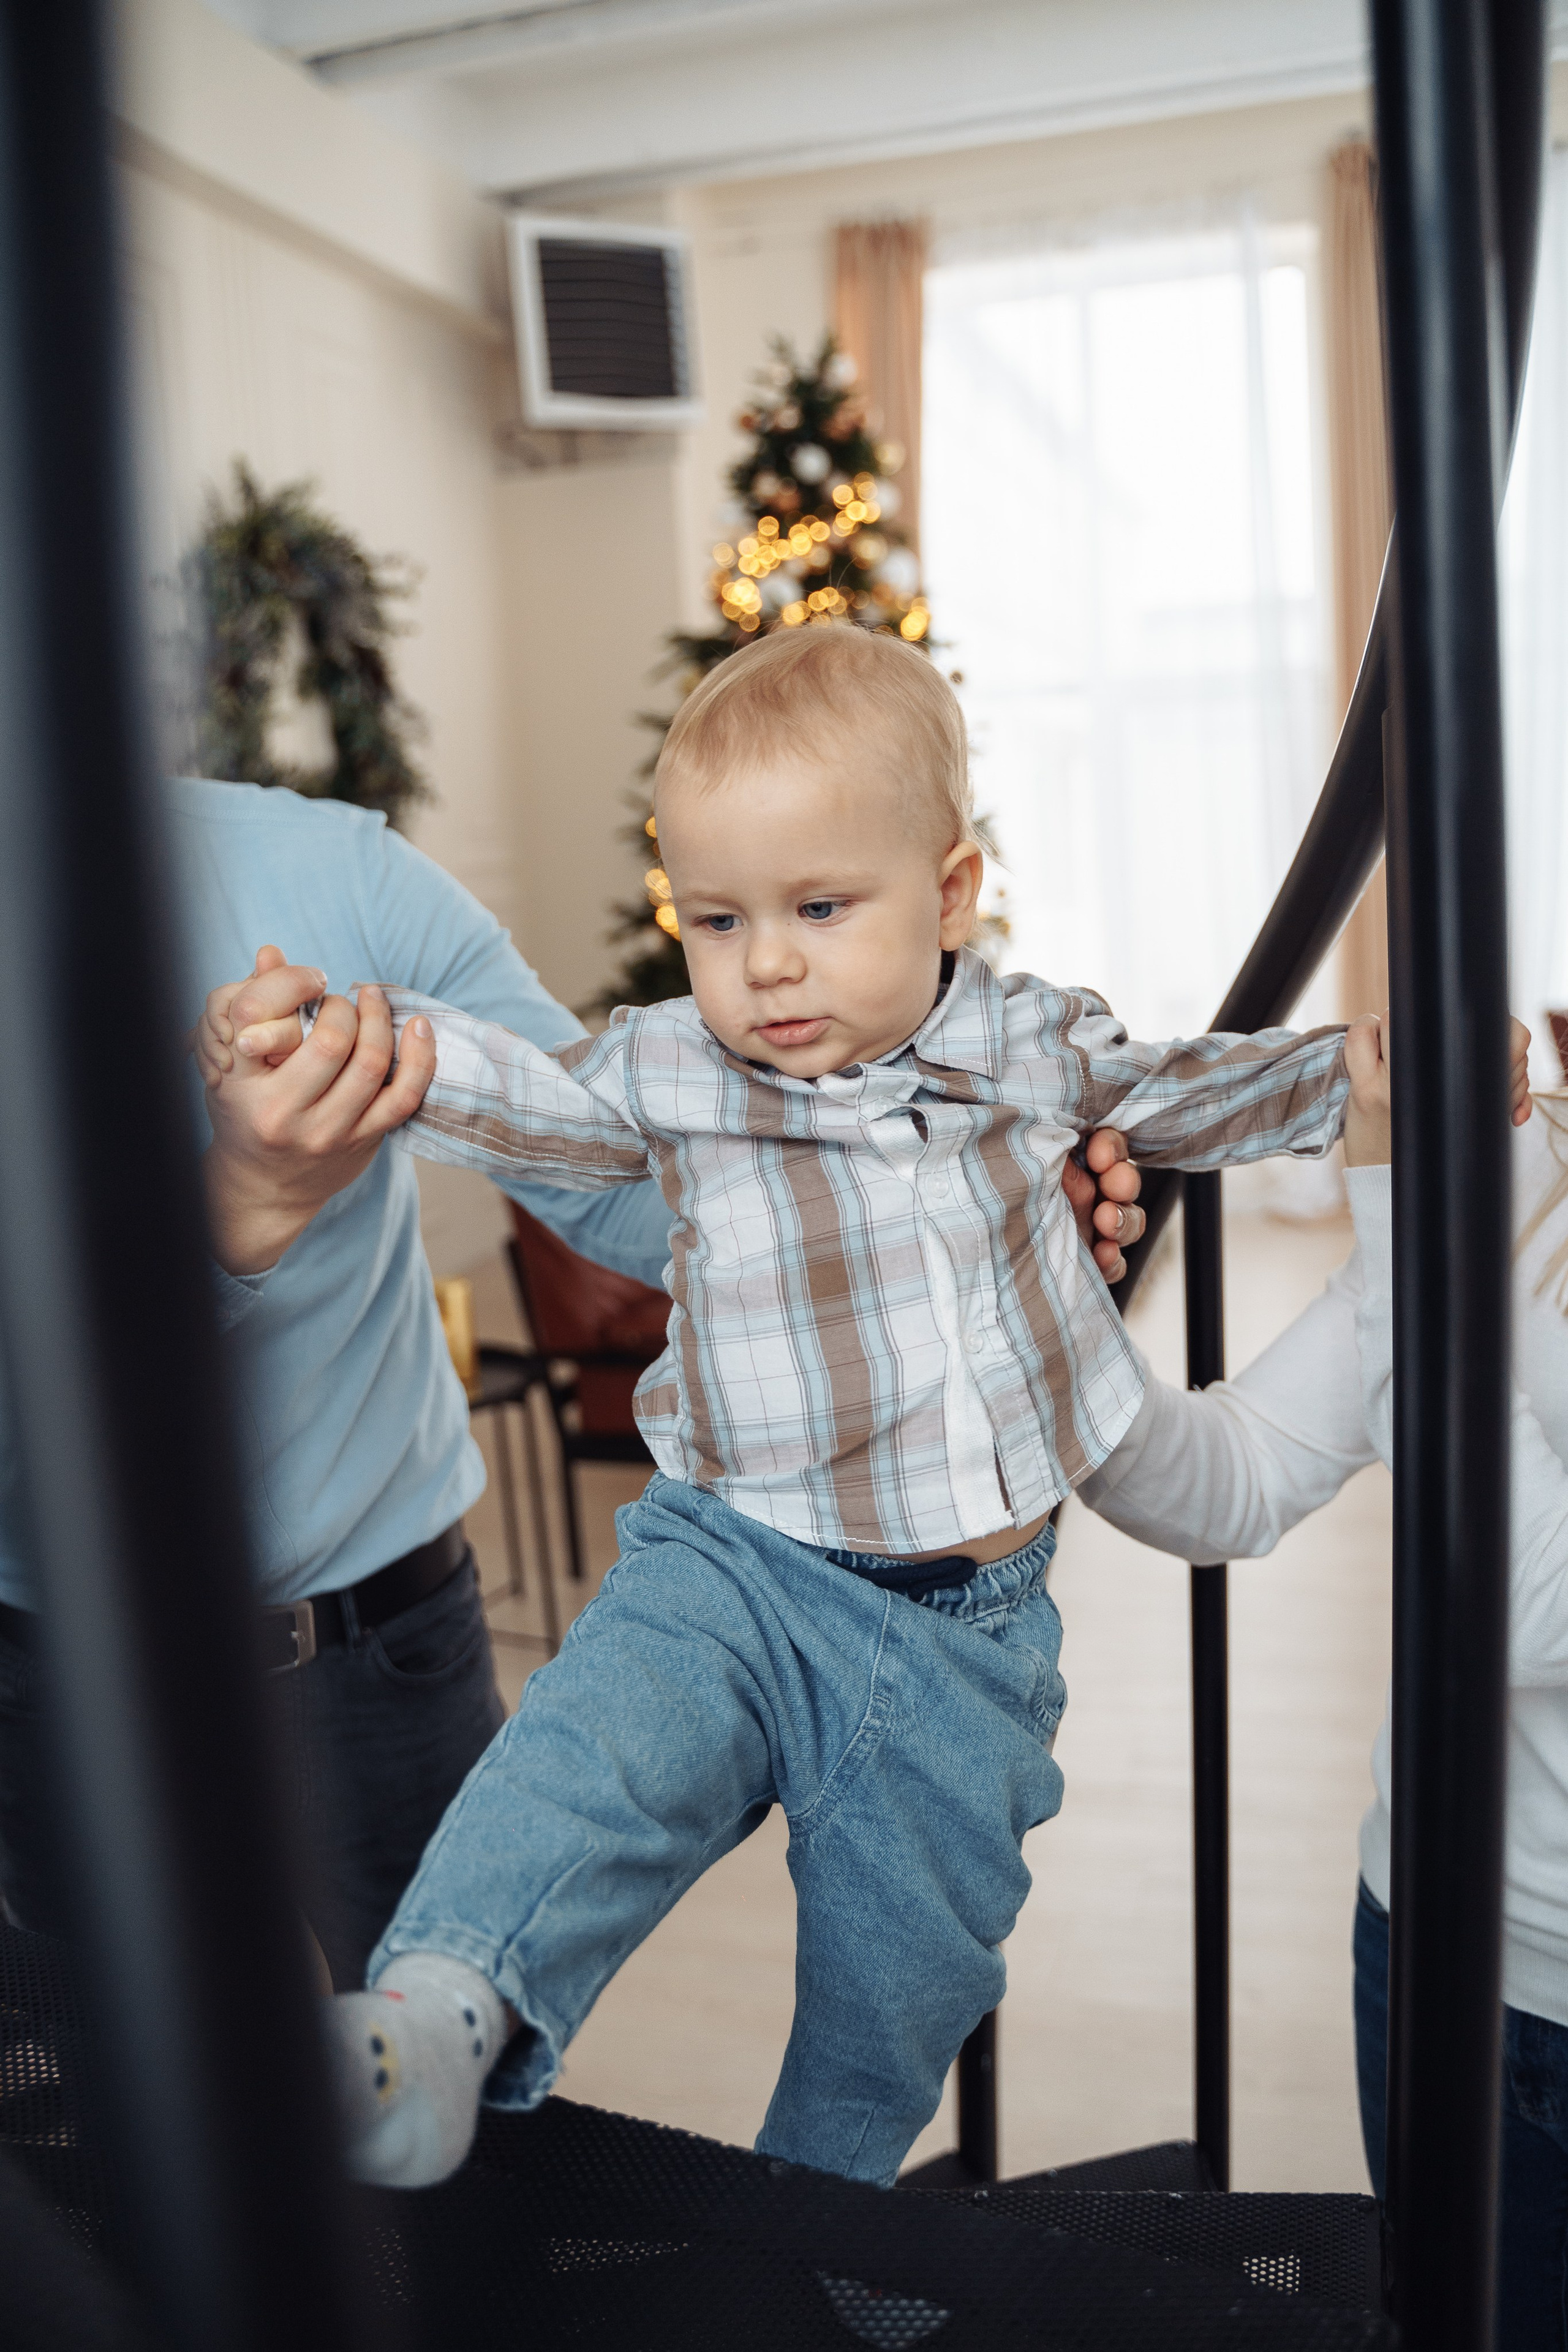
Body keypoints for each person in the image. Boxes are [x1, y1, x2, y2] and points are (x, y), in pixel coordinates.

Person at [211, 626, 1362, 2190]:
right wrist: (342, 1038)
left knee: (905, 1992)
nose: (764, 965)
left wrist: (1361, 1081)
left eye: (821, 910)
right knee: (579, 1777)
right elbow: (513, 1086)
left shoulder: (1031, 1048)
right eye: (716, 918)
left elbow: (1191, 1086)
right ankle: (431, 2016)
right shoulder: (676, 1069)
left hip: (966, 1637)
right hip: (729, 1570)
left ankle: (825, 2243)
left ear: (949, 892)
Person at [0, 775, 679, 1986]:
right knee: (112, 2147)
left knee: (469, 2117)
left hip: (380, 1660)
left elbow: (623, 1188)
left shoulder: (336, 872)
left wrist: (951, 1189)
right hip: (59, 1688)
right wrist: (239, 1208)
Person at [1081, 1018, 1564, 2348]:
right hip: (1421, 1944)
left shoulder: (1468, 1180)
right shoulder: (1534, 1164)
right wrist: (1046, 1314)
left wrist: (1397, 1195)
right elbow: (1229, 1476)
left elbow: (1516, 1601)